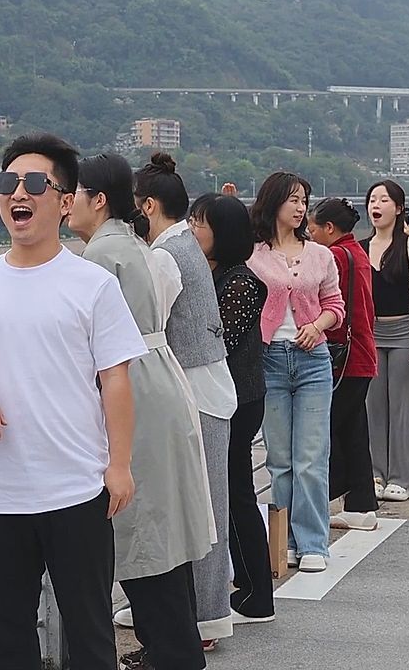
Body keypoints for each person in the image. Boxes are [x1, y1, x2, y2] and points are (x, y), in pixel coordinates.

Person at [0, 134, 144, 670]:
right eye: (7, 184)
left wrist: (119, 466)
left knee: (90, 630)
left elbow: (116, 379)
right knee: (11, 635)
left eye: (34, 185)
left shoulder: (92, 284)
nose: (17, 195)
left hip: (78, 486)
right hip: (0, 494)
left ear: (65, 201)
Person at [67, 152, 214, 670]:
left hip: (132, 385)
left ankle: (174, 653)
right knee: (159, 531)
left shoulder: (100, 256)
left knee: (143, 531)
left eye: (73, 193)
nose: (65, 204)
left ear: (98, 199)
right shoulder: (132, 245)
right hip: (157, 379)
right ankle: (174, 647)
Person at [132, 153, 236, 645]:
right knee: (207, 506)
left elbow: (146, 323)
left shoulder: (163, 256)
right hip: (211, 384)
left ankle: (205, 619)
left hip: (194, 391)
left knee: (201, 512)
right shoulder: (185, 244)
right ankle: (199, 614)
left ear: (148, 206)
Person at [247, 172, 345, 572]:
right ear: (273, 202)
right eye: (293, 199)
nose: (301, 207)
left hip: (312, 360)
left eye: (304, 200)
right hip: (269, 360)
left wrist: (317, 326)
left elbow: (336, 306)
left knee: (311, 456)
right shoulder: (252, 253)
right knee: (279, 459)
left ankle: (314, 543)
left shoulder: (321, 254)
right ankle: (283, 538)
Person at [188, 193, 276, 623]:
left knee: (236, 492)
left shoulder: (240, 281)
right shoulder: (216, 274)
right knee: (232, 491)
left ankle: (257, 591)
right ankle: (249, 587)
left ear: (221, 232)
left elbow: (214, 339)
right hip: (231, 398)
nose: (192, 229)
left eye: (200, 223)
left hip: (238, 401)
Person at [307, 197, 379, 529]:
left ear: (329, 228)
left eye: (312, 228)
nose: (308, 234)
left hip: (343, 359)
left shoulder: (335, 256)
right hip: (361, 354)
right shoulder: (356, 252)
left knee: (328, 430)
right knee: (353, 430)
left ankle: (328, 495)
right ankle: (361, 505)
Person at [361, 179, 409, 500]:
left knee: (402, 407)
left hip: (404, 331)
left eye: (384, 200)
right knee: (373, 406)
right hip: (370, 334)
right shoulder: (361, 249)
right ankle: (375, 473)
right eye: (373, 199)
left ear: (399, 207)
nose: (376, 205)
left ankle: (401, 478)